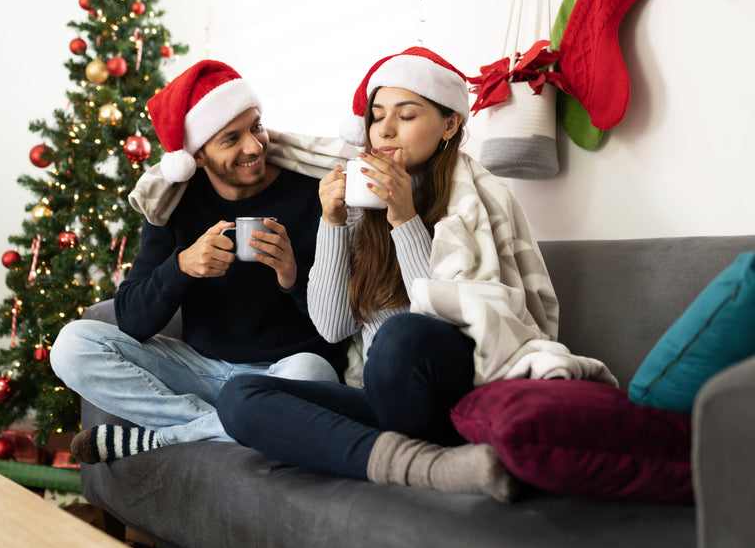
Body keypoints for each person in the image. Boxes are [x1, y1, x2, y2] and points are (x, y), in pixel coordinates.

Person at [217, 47, 615, 502]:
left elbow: (448, 319)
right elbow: (331, 327)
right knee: (240, 397)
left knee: (400, 335)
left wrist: (404, 218)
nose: (385, 129)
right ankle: (429, 466)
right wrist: (331, 222)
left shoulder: (474, 202)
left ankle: (392, 452)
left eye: (405, 115)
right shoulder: (361, 204)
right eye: (377, 117)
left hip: (450, 388)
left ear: (449, 124)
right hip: (379, 398)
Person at [51, 59, 347, 465]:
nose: (254, 146)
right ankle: (228, 426)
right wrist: (181, 267)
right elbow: (132, 321)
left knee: (315, 374)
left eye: (256, 126)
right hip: (200, 370)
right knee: (72, 345)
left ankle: (164, 438)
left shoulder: (312, 193)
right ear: (199, 156)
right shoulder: (174, 204)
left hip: (281, 373)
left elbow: (339, 327)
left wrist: (291, 276)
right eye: (231, 139)